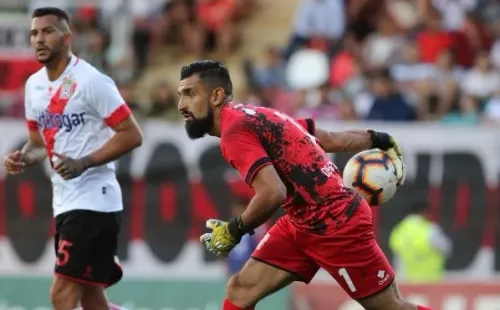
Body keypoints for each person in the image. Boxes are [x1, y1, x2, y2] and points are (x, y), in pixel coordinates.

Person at [176, 60, 432, 310]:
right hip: (301, 222)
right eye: (180, 95)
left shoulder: (235, 132)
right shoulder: (259, 115)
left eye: (190, 94)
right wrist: (377, 138)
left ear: (217, 95)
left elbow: (273, 192)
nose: (181, 105)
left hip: (336, 223)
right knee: (241, 290)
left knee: (389, 307)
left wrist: (235, 230)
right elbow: (328, 139)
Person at [3, 7, 143, 310]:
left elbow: (132, 134)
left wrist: (84, 162)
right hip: (65, 202)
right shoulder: (33, 86)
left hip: (95, 200)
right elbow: (38, 144)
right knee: (92, 298)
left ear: (67, 37)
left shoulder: (92, 81)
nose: (39, 38)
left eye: (48, 31)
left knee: (62, 294)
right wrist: (24, 158)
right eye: (34, 33)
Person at [390, 196, 452, 283]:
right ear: (425, 211)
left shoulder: (398, 231)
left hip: (406, 283)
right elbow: (447, 249)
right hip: (430, 283)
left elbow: (396, 258)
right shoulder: (431, 230)